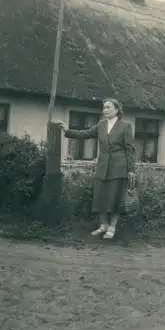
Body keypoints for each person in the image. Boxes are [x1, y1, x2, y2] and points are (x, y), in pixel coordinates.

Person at [59, 98, 136, 239]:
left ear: (117, 110)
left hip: (119, 166)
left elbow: (130, 149)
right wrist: (68, 130)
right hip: (103, 165)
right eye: (104, 107)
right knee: (100, 196)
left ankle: (112, 227)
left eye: (108, 107)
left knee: (115, 197)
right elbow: (85, 134)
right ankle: (103, 225)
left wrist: (131, 170)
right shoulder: (101, 125)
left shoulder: (125, 126)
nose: (105, 110)